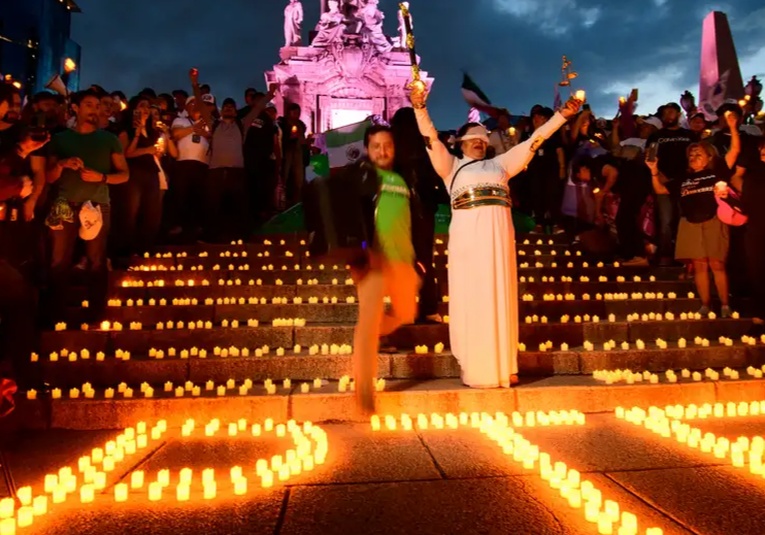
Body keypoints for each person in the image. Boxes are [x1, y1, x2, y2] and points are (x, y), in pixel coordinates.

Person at [409, 82, 581, 388]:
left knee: (499, 295)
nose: (478, 142)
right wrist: (420, 107)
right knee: (472, 297)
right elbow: (430, 138)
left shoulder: (501, 164)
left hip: (499, 240)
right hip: (467, 241)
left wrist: (562, 116)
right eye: (472, 139)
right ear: (461, 143)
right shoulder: (451, 168)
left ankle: (504, 364)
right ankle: (476, 367)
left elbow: (535, 140)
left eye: (482, 139)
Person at [347, 125, 419, 415]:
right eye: (376, 145)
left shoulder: (404, 179)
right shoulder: (363, 177)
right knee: (368, 322)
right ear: (367, 148)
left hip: (403, 259)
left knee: (406, 313)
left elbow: (416, 219)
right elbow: (350, 218)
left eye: (387, 145)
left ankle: (371, 332)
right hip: (373, 260)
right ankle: (364, 391)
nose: (382, 151)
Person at [45, 89, 129, 323]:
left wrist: (101, 177)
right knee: (58, 260)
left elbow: (124, 175)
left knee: (96, 260)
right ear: (76, 108)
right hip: (63, 203)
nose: (94, 110)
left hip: (98, 204)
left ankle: (95, 314)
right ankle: (55, 314)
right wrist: (62, 164)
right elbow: (49, 177)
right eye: (89, 105)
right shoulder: (60, 139)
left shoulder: (109, 139)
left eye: (97, 106)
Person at [646, 111, 740, 317]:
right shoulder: (683, 179)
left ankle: (725, 304)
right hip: (690, 223)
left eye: (698, 154)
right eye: (691, 155)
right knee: (699, 266)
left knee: (717, 264)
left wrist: (733, 128)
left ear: (709, 157)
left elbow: (733, 152)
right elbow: (661, 189)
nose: (693, 158)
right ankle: (705, 304)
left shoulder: (718, 172)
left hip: (714, 221)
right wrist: (653, 170)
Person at [390, 106, 446, 324]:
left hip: (398, 210)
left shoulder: (392, 148)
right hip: (423, 211)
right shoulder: (426, 148)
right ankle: (430, 308)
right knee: (424, 259)